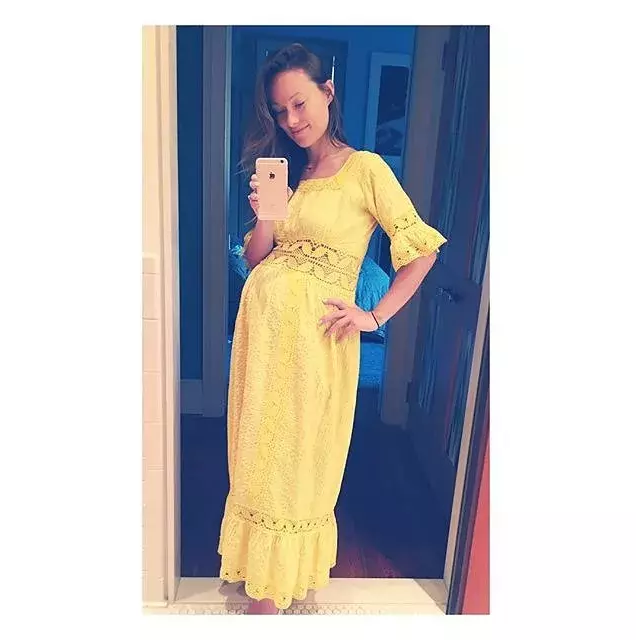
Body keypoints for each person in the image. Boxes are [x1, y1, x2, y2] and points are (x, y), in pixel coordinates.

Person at [217, 43, 447, 614]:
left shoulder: (366, 169)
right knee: (257, 457)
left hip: (313, 344)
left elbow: (420, 249)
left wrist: (374, 315)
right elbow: (257, 259)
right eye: (280, 111)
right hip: (262, 341)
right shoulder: (287, 170)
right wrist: (267, 218)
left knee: (295, 460)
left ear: (328, 90)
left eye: (299, 103)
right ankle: (263, 577)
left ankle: (270, 598)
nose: (291, 121)